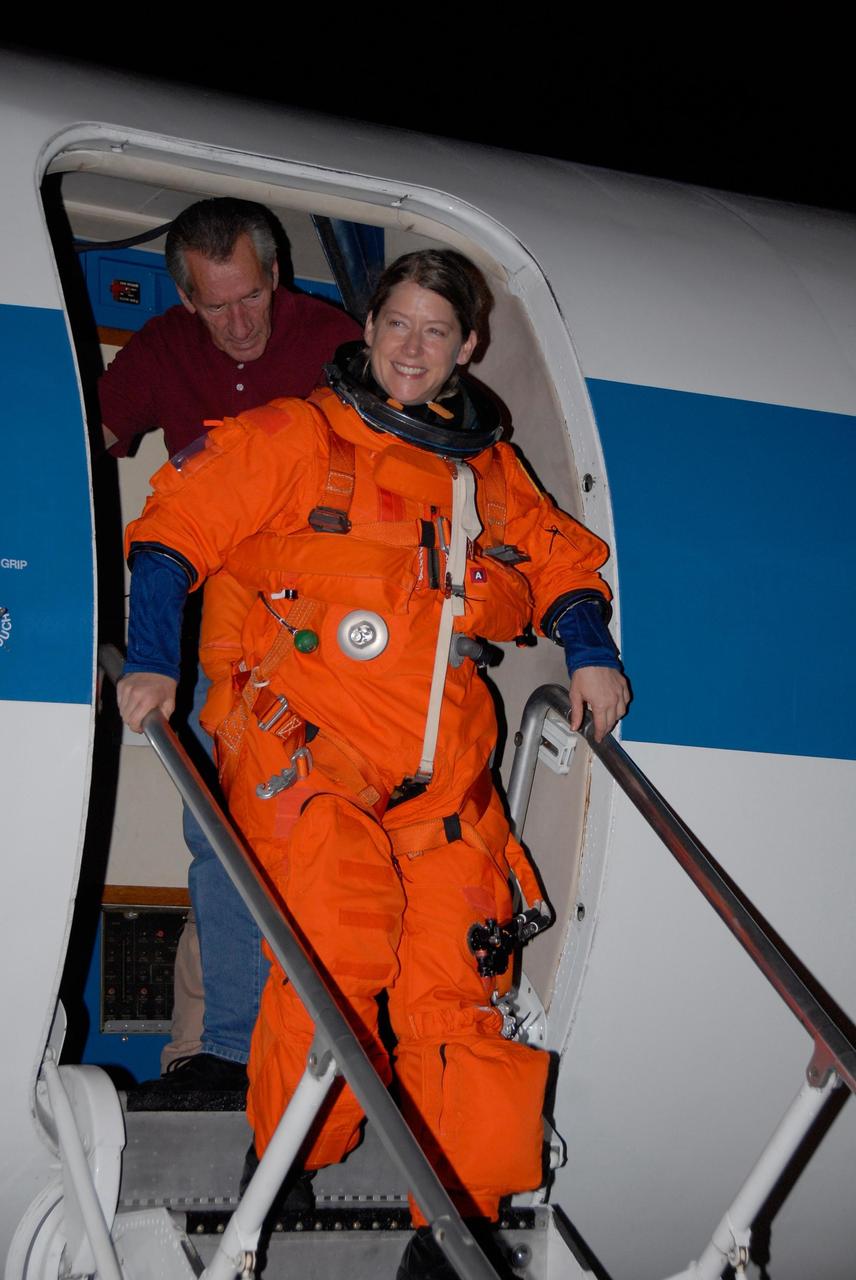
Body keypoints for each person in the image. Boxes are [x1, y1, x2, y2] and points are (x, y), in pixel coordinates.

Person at [117, 249, 630, 1277]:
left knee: (458, 991)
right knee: (341, 950)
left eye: (434, 332)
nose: (411, 346)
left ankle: (457, 1229)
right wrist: (154, 664)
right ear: (367, 326)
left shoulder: (482, 470)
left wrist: (590, 651)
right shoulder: (295, 438)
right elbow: (172, 532)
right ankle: (287, 1158)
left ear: (466, 348)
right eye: (396, 323)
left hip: (444, 783)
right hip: (314, 760)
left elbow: (559, 559)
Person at [101, 197, 360, 1088]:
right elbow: (89, 444)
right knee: (216, 839)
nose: (239, 323)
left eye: (251, 297)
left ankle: (315, 1055)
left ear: (276, 275)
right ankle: (223, 1052)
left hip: (317, 638)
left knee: (315, 840)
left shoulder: (336, 345)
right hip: (210, 634)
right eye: (217, 307)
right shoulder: (163, 352)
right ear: (184, 300)